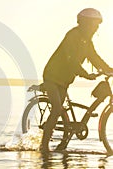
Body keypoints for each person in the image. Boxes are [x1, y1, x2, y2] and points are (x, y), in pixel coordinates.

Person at [40, 8, 113, 153]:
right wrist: (85, 74)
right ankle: (44, 146)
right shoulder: (73, 35)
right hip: (52, 77)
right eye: (94, 23)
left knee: (59, 107)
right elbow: (71, 59)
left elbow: (95, 58)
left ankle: (62, 141)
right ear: (84, 23)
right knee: (56, 109)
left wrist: (110, 69)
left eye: (98, 24)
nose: (96, 27)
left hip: (65, 80)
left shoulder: (87, 41)